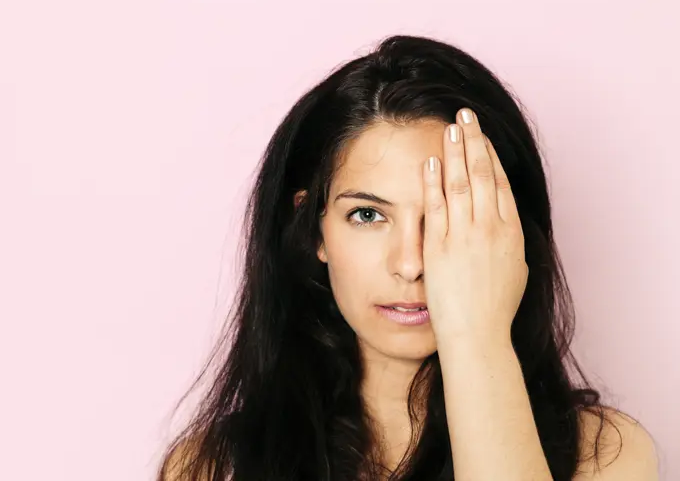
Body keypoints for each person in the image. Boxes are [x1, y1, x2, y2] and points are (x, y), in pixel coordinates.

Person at [156, 35, 659, 481]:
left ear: (507, 232)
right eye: (368, 215)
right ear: (314, 229)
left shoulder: (603, 455)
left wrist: (477, 335)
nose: (411, 263)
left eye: (448, 213)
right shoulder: (210, 468)